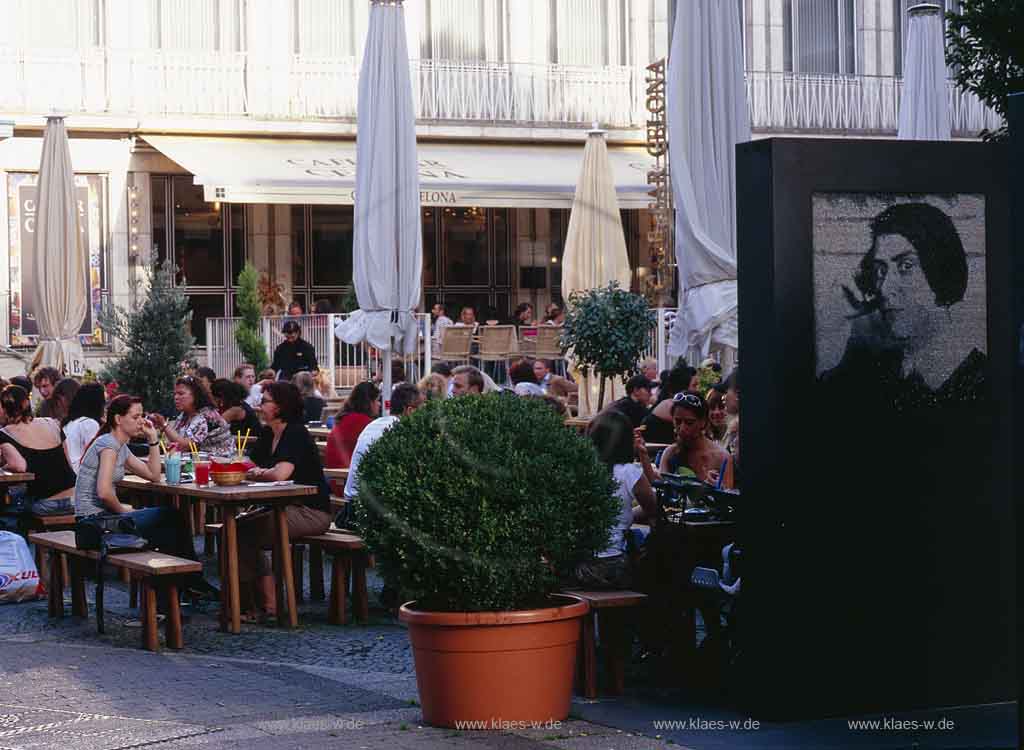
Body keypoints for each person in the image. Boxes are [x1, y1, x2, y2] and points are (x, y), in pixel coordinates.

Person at [822, 202, 986, 408]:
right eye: (880, 270)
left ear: (942, 270)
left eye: (906, 266)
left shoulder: (982, 384)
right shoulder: (879, 368)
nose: (883, 289)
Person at [74, 394, 216, 599]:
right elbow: (104, 492)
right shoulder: (109, 445)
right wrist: (123, 509)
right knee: (170, 520)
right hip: (93, 526)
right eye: (135, 416)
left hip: (102, 522)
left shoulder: (120, 446)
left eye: (142, 415)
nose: (141, 421)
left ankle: (181, 589)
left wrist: (153, 440)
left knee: (170, 523)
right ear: (118, 419)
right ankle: (179, 591)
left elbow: (153, 475)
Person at [235, 382, 332, 622]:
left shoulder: (296, 433)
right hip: (280, 506)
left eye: (266, 401)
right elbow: (247, 465)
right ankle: (254, 603)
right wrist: (257, 471)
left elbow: (280, 474)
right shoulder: (269, 433)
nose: (260, 405)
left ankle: (266, 605)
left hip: (311, 510)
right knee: (237, 529)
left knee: (244, 532)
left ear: (280, 406)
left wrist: (257, 472)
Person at [569, 410, 658, 589]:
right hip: (611, 566)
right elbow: (655, 510)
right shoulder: (627, 472)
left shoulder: (577, 468)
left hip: (575, 563)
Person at [0, 385, 77, 516]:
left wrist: (3, 466)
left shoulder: (5, 433)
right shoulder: (51, 422)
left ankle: (19, 536)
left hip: (46, 504)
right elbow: (68, 462)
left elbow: (19, 466)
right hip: (75, 499)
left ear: (5, 409)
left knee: (8, 510)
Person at [343, 383, 424, 500]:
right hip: (367, 505)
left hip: (351, 501)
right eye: (421, 411)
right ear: (410, 411)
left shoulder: (373, 425)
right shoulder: (401, 431)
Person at [658, 392, 733, 487]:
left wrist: (716, 489)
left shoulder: (722, 457)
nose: (682, 428)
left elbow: (728, 496)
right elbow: (661, 487)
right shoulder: (670, 453)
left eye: (689, 422)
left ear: (703, 422)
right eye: (677, 421)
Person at [148, 376, 234, 457]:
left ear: (196, 395)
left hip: (221, 464)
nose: (176, 397)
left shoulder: (207, 416)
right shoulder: (184, 416)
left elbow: (183, 446)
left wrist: (164, 425)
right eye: (175, 394)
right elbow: (173, 442)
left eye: (181, 394)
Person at [325, 381, 380, 494]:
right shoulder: (364, 423)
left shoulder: (344, 419)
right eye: (377, 400)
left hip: (336, 481)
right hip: (349, 484)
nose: (379, 404)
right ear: (369, 402)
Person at [641, 364, 697, 445]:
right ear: (683, 388)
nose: (697, 390)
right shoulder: (671, 405)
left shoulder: (672, 402)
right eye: (694, 386)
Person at [63, 382, 105, 473]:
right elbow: (97, 455)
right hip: (81, 476)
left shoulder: (69, 422)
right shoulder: (89, 424)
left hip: (68, 474)